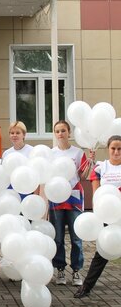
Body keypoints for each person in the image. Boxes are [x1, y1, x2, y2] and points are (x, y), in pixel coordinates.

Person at [74, 135, 121, 298]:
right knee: (102, 252)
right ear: (108, 149)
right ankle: (86, 287)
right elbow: (96, 195)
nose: (116, 152)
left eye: (119, 149)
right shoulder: (101, 167)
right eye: (113, 148)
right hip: (107, 218)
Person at [50, 120, 93, 287]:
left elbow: (83, 176)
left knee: (76, 237)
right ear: (55, 134)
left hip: (74, 198)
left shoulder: (77, 152)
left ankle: (76, 270)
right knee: (58, 237)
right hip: (56, 200)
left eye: (63, 130)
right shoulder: (51, 153)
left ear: (69, 132)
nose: (60, 134)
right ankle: (60, 269)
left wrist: (90, 162)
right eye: (57, 131)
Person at [2, 121, 34, 199]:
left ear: (24, 135)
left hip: (27, 189)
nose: (14, 135)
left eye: (18, 133)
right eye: (12, 133)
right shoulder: (6, 153)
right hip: (10, 190)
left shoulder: (32, 151)